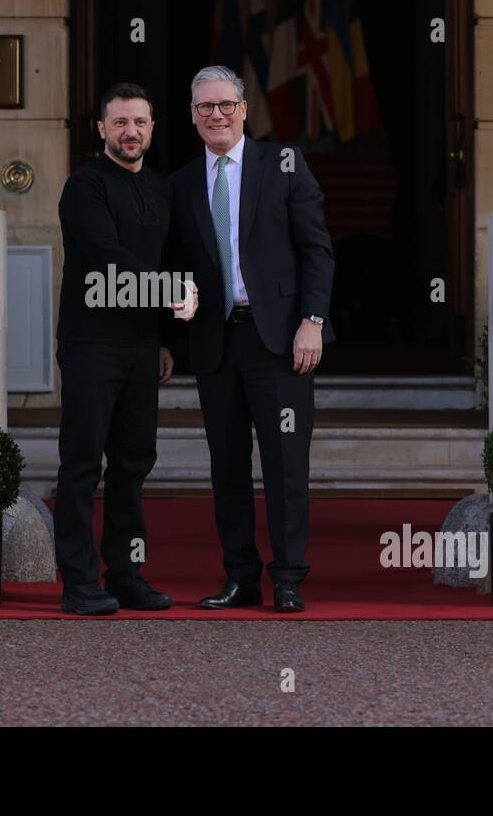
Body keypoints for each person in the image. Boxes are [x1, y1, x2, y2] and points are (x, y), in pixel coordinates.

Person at [164, 65, 335, 612]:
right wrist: (168, 331)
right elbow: (174, 268)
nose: (216, 114)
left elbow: (316, 249)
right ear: (192, 117)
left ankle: (287, 577)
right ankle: (240, 577)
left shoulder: (283, 165)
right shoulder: (181, 182)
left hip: (280, 341)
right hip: (216, 344)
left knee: (286, 463)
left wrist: (313, 320)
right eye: (204, 107)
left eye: (225, 105)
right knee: (228, 464)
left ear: (244, 109)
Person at [53, 82, 197, 615]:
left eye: (139, 122)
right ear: (102, 129)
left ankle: (127, 574)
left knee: (134, 462)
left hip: (140, 347)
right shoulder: (85, 187)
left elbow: (165, 255)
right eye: (119, 123)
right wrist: (173, 293)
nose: (130, 132)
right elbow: (107, 259)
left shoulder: (159, 189)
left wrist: (160, 338)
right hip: (91, 343)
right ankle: (78, 582)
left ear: (153, 127)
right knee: (83, 461)